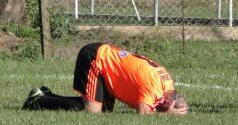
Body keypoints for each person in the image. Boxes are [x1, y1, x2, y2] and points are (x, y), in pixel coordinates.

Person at [22, 42, 188, 115]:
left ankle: (47, 95)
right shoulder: (153, 87)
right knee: (92, 112)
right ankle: (37, 100)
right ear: (167, 102)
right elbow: (143, 114)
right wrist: (166, 115)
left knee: (105, 112)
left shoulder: (167, 83)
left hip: (109, 70)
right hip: (95, 58)